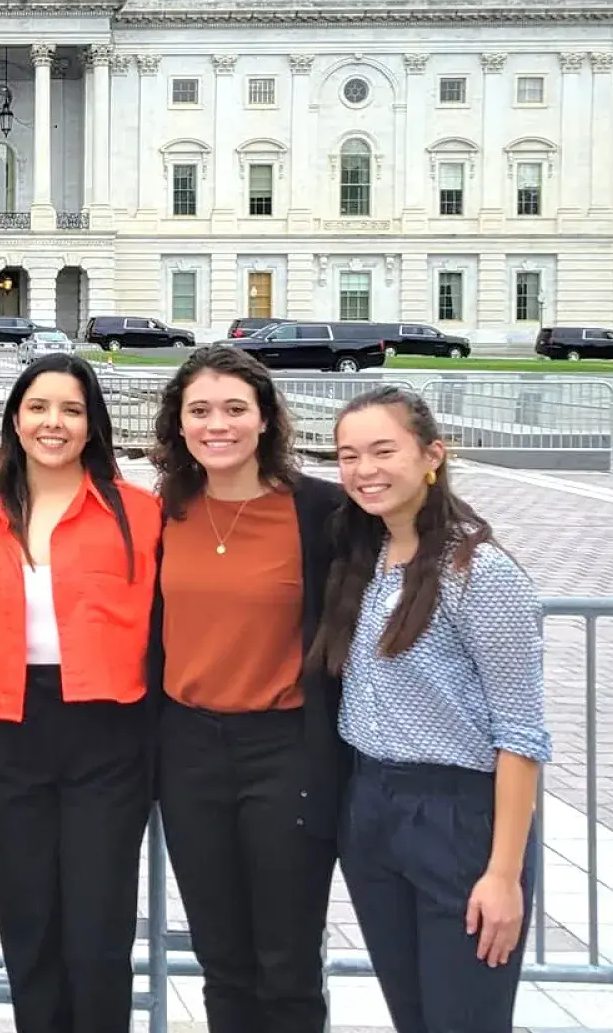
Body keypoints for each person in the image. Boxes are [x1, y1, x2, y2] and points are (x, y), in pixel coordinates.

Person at [310, 385, 550, 1033]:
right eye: (349, 455)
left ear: (431, 455)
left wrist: (503, 874)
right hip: (372, 808)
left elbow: (522, 733)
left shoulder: (478, 573)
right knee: (413, 1015)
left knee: (463, 1019)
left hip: (457, 817)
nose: (365, 471)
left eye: (384, 450)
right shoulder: (368, 560)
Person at [0, 352, 159, 1033]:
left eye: (72, 410)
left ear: (93, 424)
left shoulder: (140, 512)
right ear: (15, 418)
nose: (54, 422)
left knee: (98, 930)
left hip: (106, 732)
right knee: (28, 922)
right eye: (39, 407)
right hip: (9, 728)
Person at [146, 346, 346, 1033]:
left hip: (285, 749)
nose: (217, 425)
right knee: (221, 958)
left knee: (286, 963)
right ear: (179, 424)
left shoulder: (321, 511)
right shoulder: (164, 512)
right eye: (200, 411)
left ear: (266, 420)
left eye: (235, 409)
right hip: (189, 749)